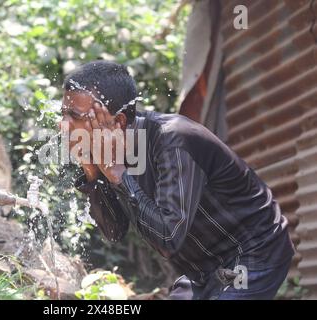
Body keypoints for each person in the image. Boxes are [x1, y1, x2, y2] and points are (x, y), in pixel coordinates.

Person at [59, 60, 295, 300]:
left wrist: (117, 174)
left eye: (75, 116)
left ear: (117, 122)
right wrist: (91, 171)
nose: (63, 126)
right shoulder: (109, 152)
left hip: (254, 253)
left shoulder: (172, 140)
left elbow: (168, 239)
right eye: (63, 114)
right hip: (202, 270)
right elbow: (114, 231)